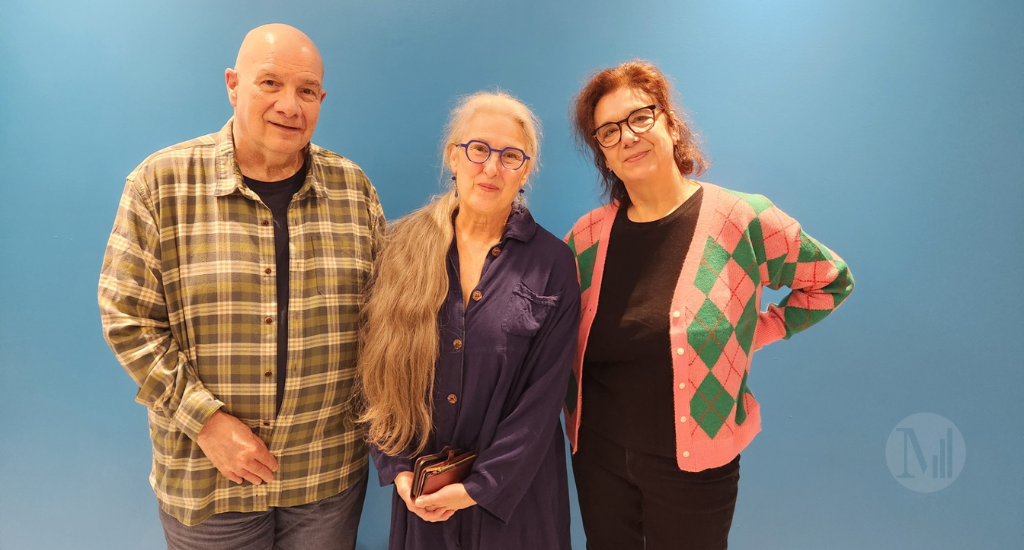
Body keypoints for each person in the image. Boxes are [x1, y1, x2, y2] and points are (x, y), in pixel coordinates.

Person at [98, 24, 385, 550]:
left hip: (325, 479)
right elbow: (127, 319)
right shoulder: (160, 185)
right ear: (233, 84)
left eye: (306, 91)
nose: (289, 106)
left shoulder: (354, 191)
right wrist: (204, 421)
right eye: (269, 83)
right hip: (208, 482)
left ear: (321, 99)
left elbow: (383, 323)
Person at [563, 60, 855, 549]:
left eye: (640, 117)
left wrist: (758, 332)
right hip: (597, 458)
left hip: (694, 467)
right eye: (608, 132)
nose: (628, 137)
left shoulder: (743, 221)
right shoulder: (586, 237)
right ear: (604, 156)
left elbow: (830, 282)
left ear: (670, 125)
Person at [358, 91, 579, 550]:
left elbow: (544, 397)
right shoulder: (402, 246)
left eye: (510, 156)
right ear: (453, 156)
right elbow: (375, 370)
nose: (492, 168)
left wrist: (479, 488)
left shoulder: (553, 262)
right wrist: (397, 468)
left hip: (516, 502)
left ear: (527, 169)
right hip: (425, 494)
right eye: (478, 149)